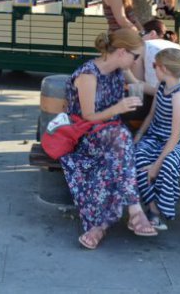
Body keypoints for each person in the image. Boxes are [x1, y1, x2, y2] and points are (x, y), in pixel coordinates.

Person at [60, 28, 158, 249]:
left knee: (117, 156)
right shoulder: (88, 74)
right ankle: (135, 210)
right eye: (135, 57)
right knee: (122, 140)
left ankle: (99, 227)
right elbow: (88, 117)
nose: (135, 62)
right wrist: (119, 107)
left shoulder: (118, 69)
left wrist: (171, 89)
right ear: (122, 52)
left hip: (111, 139)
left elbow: (139, 86)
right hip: (86, 136)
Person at [133, 47, 180, 229]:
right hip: (154, 138)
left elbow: (175, 136)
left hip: (174, 143)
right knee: (137, 157)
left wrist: (155, 166)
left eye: (155, 65)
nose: (153, 68)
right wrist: (139, 135)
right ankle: (153, 209)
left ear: (164, 68)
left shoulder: (179, 97)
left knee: (167, 165)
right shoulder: (161, 87)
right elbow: (151, 115)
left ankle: (162, 208)